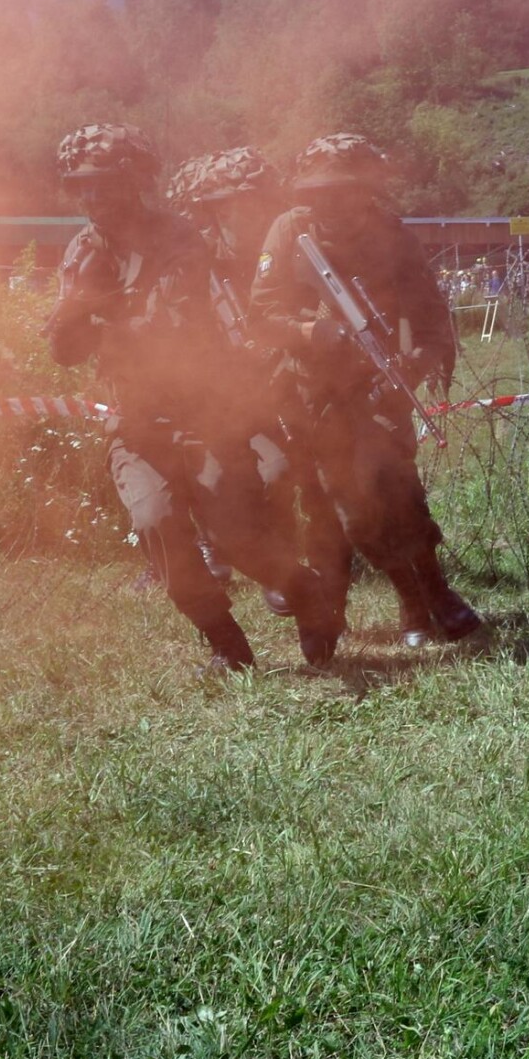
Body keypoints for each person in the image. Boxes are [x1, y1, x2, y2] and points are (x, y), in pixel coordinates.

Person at [46, 125, 340, 675]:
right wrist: (74, 309)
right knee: (156, 522)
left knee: (238, 535)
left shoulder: (178, 237)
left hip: (205, 412)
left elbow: (170, 324)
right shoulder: (83, 249)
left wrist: (102, 304)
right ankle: (225, 643)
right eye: (79, 187)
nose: (90, 198)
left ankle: (307, 595)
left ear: (134, 182)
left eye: (102, 184)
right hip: (138, 419)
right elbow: (65, 351)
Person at [252, 134, 486, 649]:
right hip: (309, 391)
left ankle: (429, 598)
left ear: (366, 191)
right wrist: (314, 330)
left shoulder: (394, 237)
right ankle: (332, 618)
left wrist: (412, 372)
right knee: (334, 507)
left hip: (378, 385)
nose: (329, 204)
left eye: (342, 191)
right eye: (318, 193)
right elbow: (262, 312)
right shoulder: (290, 231)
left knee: (399, 491)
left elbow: (430, 322)